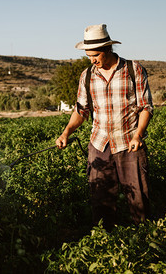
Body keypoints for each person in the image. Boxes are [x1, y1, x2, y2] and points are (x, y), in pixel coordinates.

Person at [55, 24, 154, 230]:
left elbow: (146, 107)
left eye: (96, 55)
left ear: (108, 49)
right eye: (88, 55)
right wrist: (66, 132)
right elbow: (81, 110)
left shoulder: (133, 70)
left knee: (138, 198)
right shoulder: (87, 76)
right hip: (99, 144)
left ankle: (144, 239)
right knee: (100, 200)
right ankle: (105, 242)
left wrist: (138, 135)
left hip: (129, 143)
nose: (92, 59)